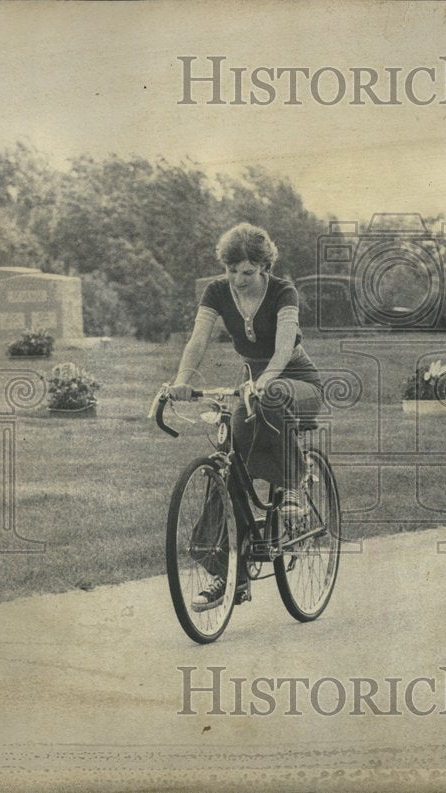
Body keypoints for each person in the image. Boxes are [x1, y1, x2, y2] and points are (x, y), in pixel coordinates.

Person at [167, 222, 323, 610]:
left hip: (297, 382)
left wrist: (265, 378)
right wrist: (181, 380)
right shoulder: (217, 292)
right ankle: (226, 574)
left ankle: (294, 485)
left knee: (272, 396)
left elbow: (285, 345)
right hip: (254, 384)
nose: (238, 278)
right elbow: (198, 338)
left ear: (264, 268)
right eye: (232, 269)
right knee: (229, 461)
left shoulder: (283, 291)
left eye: (247, 272)